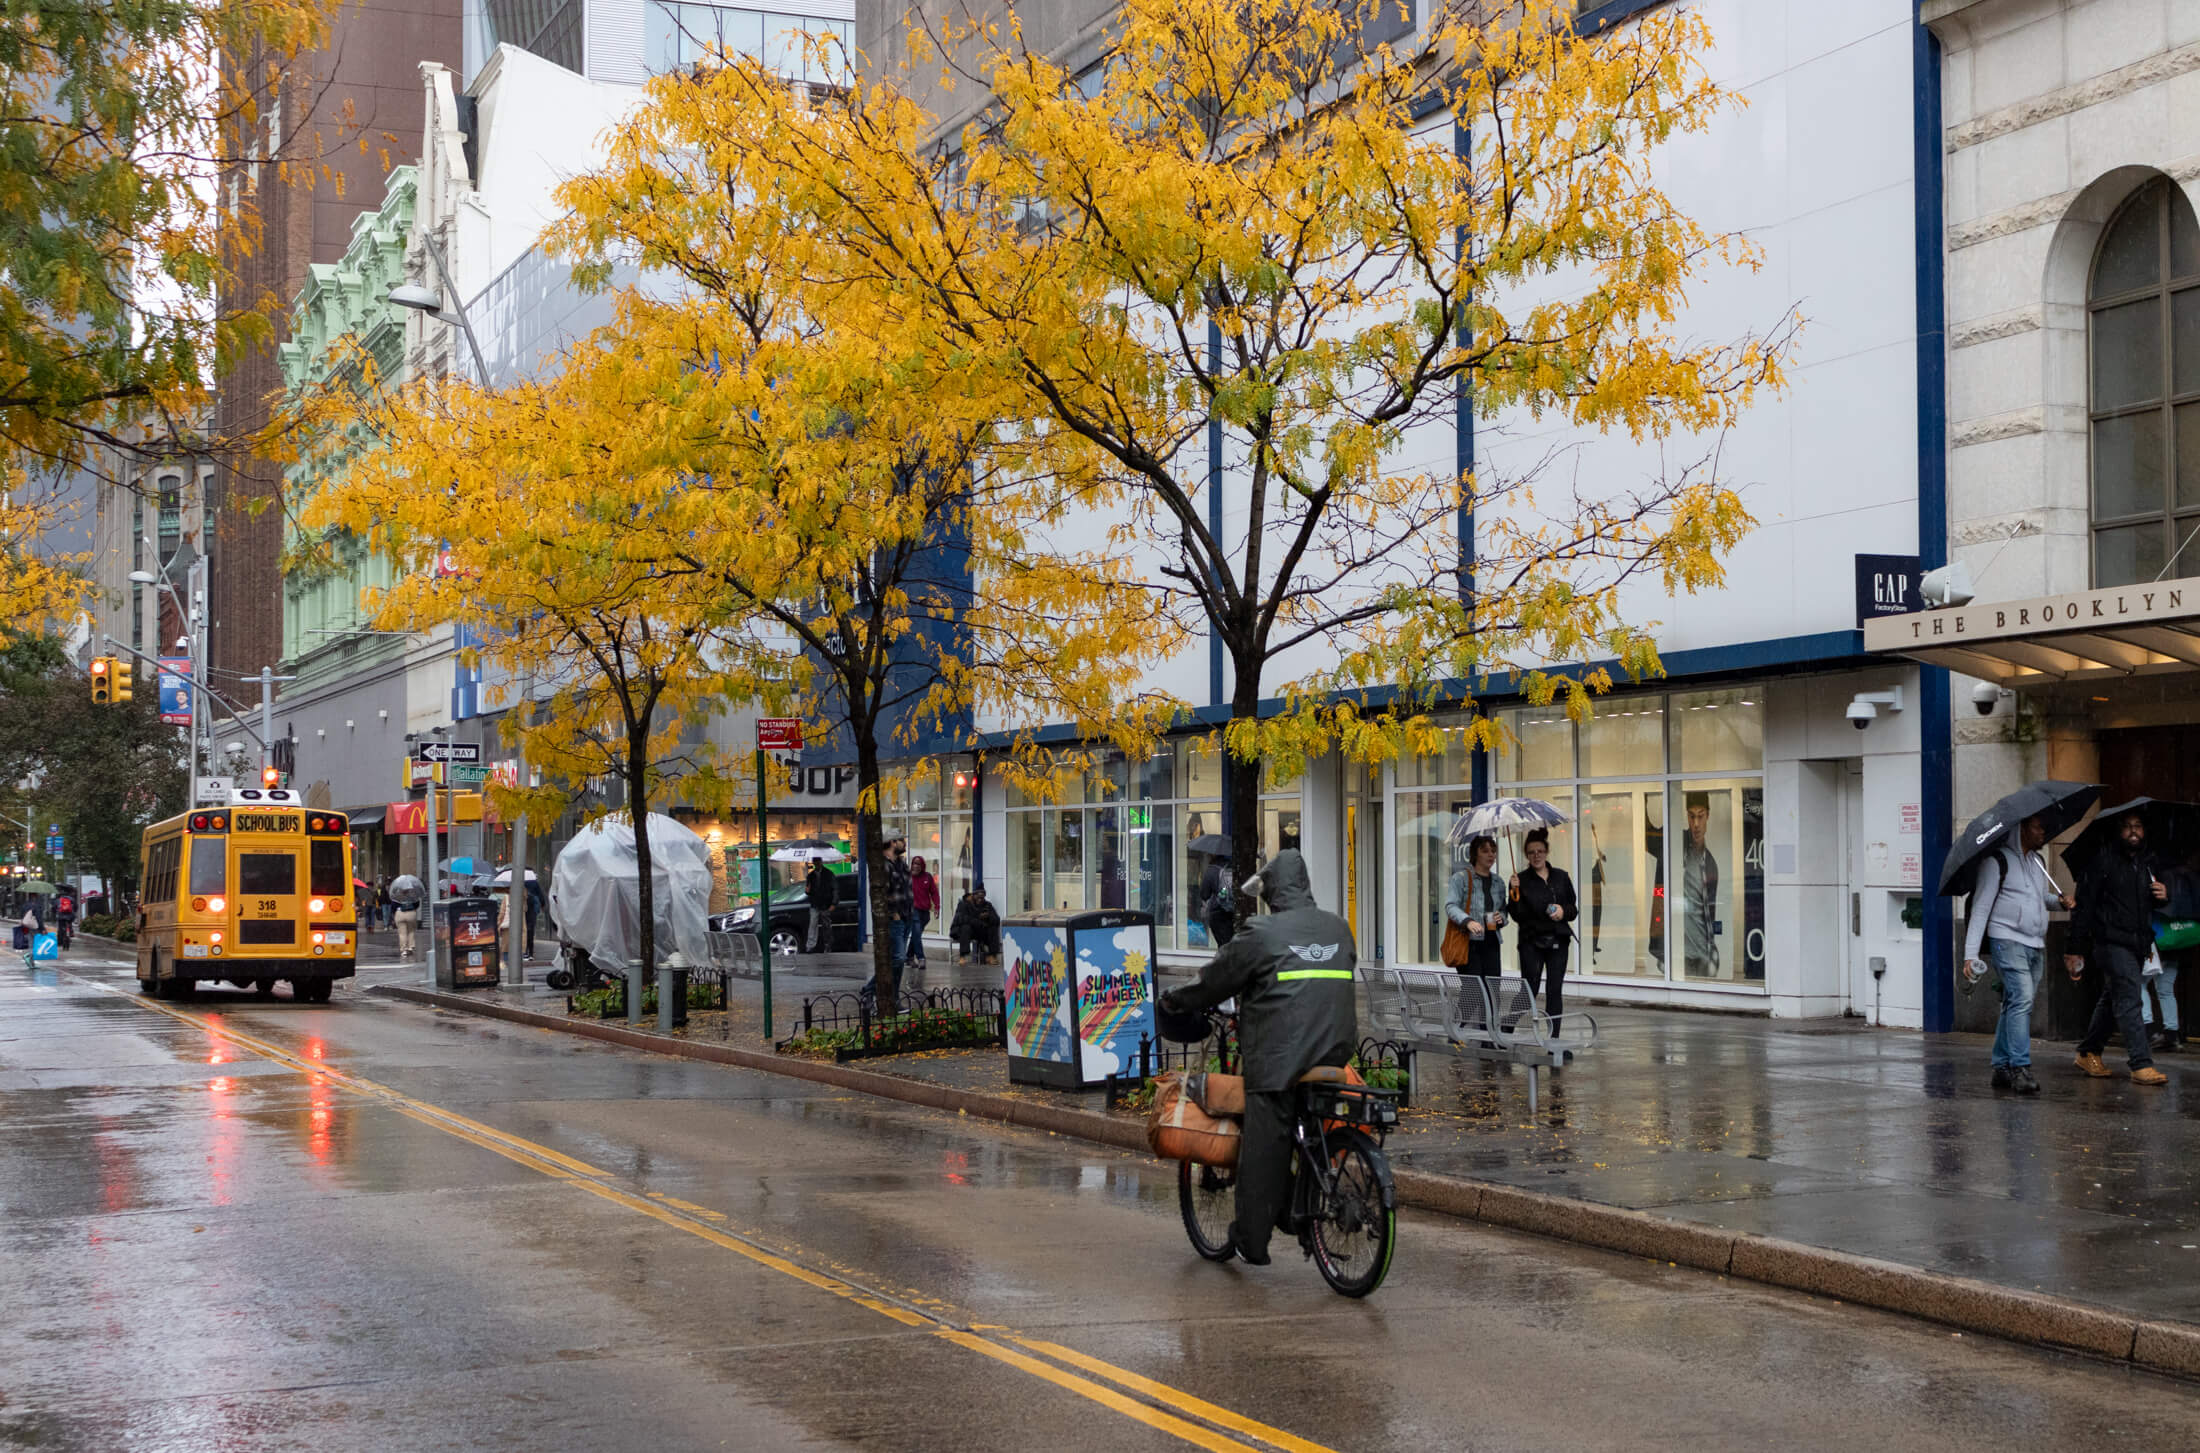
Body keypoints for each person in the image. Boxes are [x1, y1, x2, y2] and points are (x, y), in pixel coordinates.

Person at [1157, 850, 1356, 1266]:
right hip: (1336, 1048)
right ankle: (1301, 1205)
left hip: (1281, 1057)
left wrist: (1176, 1000)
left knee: (1265, 1146)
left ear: (1273, 891)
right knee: (1307, 1124)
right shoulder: (1338, 927)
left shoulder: (1261, 932)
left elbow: (1216, 978)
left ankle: (1251, 1238)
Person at [1961, 813, 2071, 1094]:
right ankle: (2020, 1068)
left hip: (2035, 942)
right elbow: (1981, 908)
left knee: (2015, 1003)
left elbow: (2038, 899)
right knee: (2021, 1000)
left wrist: (2059, 903)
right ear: (2021, 828)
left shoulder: (2038, 862)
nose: (2042, 832)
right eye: (2038, 826)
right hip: (2006, 939)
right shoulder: (1996, 862)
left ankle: (2001, 1067)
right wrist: (1970, 954)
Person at [2067, 808, 2170, 1085]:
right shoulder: (2101, 861)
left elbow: (2147, 905)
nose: (2133, 831)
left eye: (2138, 826)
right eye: (2127, 826)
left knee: (2113, 997)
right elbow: (2083, 906)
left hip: (2137, 942)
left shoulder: (2148, 862)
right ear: (2118, 831)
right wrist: (2074, 947)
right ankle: (2141, 1064)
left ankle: (2088, 1051)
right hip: (2110, 942)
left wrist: (2163, 895)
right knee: (2129, 998)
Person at [1508, 828, 1579, 1035]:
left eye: (1539, 851)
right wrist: (1515, 892)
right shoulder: (1520, 880)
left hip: (1558, 939)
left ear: (1547, 852)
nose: (1536, 855)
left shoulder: (1561, 876)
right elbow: (1517, 915)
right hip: (1532, 941)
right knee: (1530, 988)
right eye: (1531, 852)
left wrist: (1562, 911)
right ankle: (1506, 1029)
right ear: (1526, 855)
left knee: (1554, 990)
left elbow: (1573, 909)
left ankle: (1553, 1039)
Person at [1445, 834, 1506, 1024]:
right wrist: (1468, 920)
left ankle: (1487, 1035)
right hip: (1469, 943)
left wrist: (1501, 918)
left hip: (1491, 942)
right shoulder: (1461, 878)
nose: (1491, 855)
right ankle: (1457, 1032)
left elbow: (1504, 911)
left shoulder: (1499, 882)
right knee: (1473, 990)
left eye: (1493, 851)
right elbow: (1450, 906)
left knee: (1492, 990)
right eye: (1485, 850)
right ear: (1475, 854)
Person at [1678, 792, 1721, 977]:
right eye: (1691, 816)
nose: (1696, 824)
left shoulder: (1710, 864)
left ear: (1708, 816)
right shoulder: (1675, 845)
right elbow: (1661, 888)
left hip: (1702, 953)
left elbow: (1710, 914)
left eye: (1700, 816)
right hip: (1679, 952)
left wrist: (1712, 950)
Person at [882, 835, 915, 989]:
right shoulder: (884, 865)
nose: (905, 844)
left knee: (897, 960)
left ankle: (893, 995)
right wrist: (894, 914)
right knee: (899, 958)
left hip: (907, 915)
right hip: (895, 918)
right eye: (902, 841)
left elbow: (907, 889)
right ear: (892, 842)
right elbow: (884, 893)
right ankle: (871, 990)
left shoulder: (902, 863)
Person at [950, 885, 1001, 964]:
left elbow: (996, 920)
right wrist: (978, 918)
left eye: (982, 897)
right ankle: (962, 956)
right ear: (973, 895)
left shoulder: (987, 905)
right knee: (966, 927)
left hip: (979, 930)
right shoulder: (964, 904)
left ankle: (992, 955)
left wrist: (988, 917)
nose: (980, 900)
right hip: (963, 931)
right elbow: (960, 919)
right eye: (978, 897)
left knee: (993, 927)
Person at [1199, 853, 1238, 947]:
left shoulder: (1212, 869)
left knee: (1223, 946)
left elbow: (1204, 894)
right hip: (1236, 912)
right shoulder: (1238, 867)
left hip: (1218, 913)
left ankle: (1225, 961)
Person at [909, 854, 940, 968]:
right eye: (914, 864)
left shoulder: (928, 877)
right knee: (916, 933)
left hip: (925, 911)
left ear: (922, 866)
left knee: (916, 935)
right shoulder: (908, 877)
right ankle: (921, 958)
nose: (916, 866)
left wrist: (937, 907)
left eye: (918, 864)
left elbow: (934, 893)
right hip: (913, 910)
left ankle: (909, 957)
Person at [804, 860, 835, 954]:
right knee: (813, 924)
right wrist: (807, 891)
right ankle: (810, 946)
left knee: (826, 925)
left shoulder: (828, 874)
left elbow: (834, 889)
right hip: (815, 903)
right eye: (815, 862)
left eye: (817, 862)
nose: (816, 864)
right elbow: (808, 890)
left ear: (821, 862)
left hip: (825, 903)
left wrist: (833, 903)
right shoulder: (811, 875)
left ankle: (827, 945)